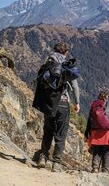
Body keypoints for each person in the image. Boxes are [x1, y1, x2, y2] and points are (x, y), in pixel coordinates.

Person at [33, 41, 80, 172]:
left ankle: (43, 157)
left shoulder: (48, 62)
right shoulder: (65, 65)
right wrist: (77, 103)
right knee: (60, 133)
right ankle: (57, 162)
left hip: (49, 102)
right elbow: (75, 86)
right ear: (66, 52)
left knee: (48, 130)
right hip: (63, 103)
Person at [84, 91, 109, 174]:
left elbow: (89, 121)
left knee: (96, 151)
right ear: (107, 98)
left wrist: (87, 133)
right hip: (107, 133)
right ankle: (105, 170)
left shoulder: (93, 107)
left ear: (98, 98)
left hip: (95, 132)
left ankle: (95, 168)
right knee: (106, 152)